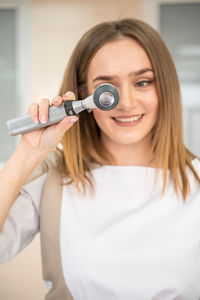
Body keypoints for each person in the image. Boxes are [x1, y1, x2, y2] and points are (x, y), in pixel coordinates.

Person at [0, 18, 200, 300]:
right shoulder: (53, 179)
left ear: (164, 87)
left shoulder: (197, 181)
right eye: (107, 88)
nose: (127, 103)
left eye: (143, 82)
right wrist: (27, 154)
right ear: (85, 97)